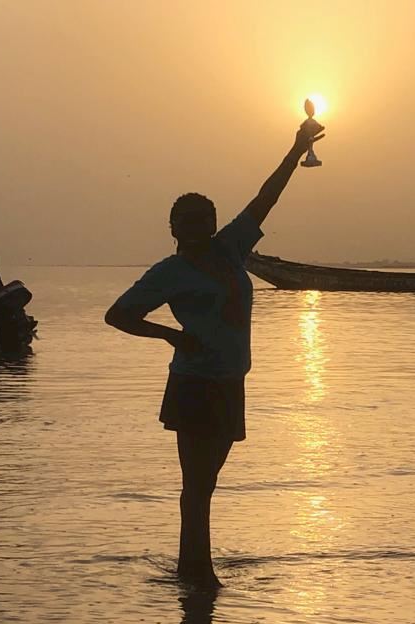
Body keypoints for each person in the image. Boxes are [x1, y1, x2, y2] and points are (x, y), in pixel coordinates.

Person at [104, 119, 325, 588]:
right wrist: (170, 335)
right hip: (193, 383)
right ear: (173, 229)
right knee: (197, 484)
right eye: (188, 222)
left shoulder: (229, 250)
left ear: (213, 223)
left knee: (207, 482)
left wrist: (294, 152)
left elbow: (265, 201)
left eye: (205, 219)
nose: (198, 227)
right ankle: (196, 573)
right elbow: (118, 315)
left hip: (229, 381)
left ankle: (194, 567)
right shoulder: (169, 272)